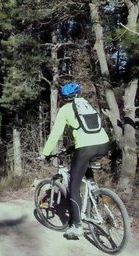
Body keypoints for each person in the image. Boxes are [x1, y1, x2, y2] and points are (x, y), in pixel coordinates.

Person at [40, 82, 110, 238]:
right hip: (104, 144)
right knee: (86, 169)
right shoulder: (86, 105)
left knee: (73, 187)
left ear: (64, 98)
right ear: (78, 94)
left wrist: (45, 153)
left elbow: (55, 134)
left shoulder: (65, 109)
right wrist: (72, 148)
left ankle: (77, 226)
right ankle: (94, 191)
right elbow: (87, 131)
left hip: (86, 148)